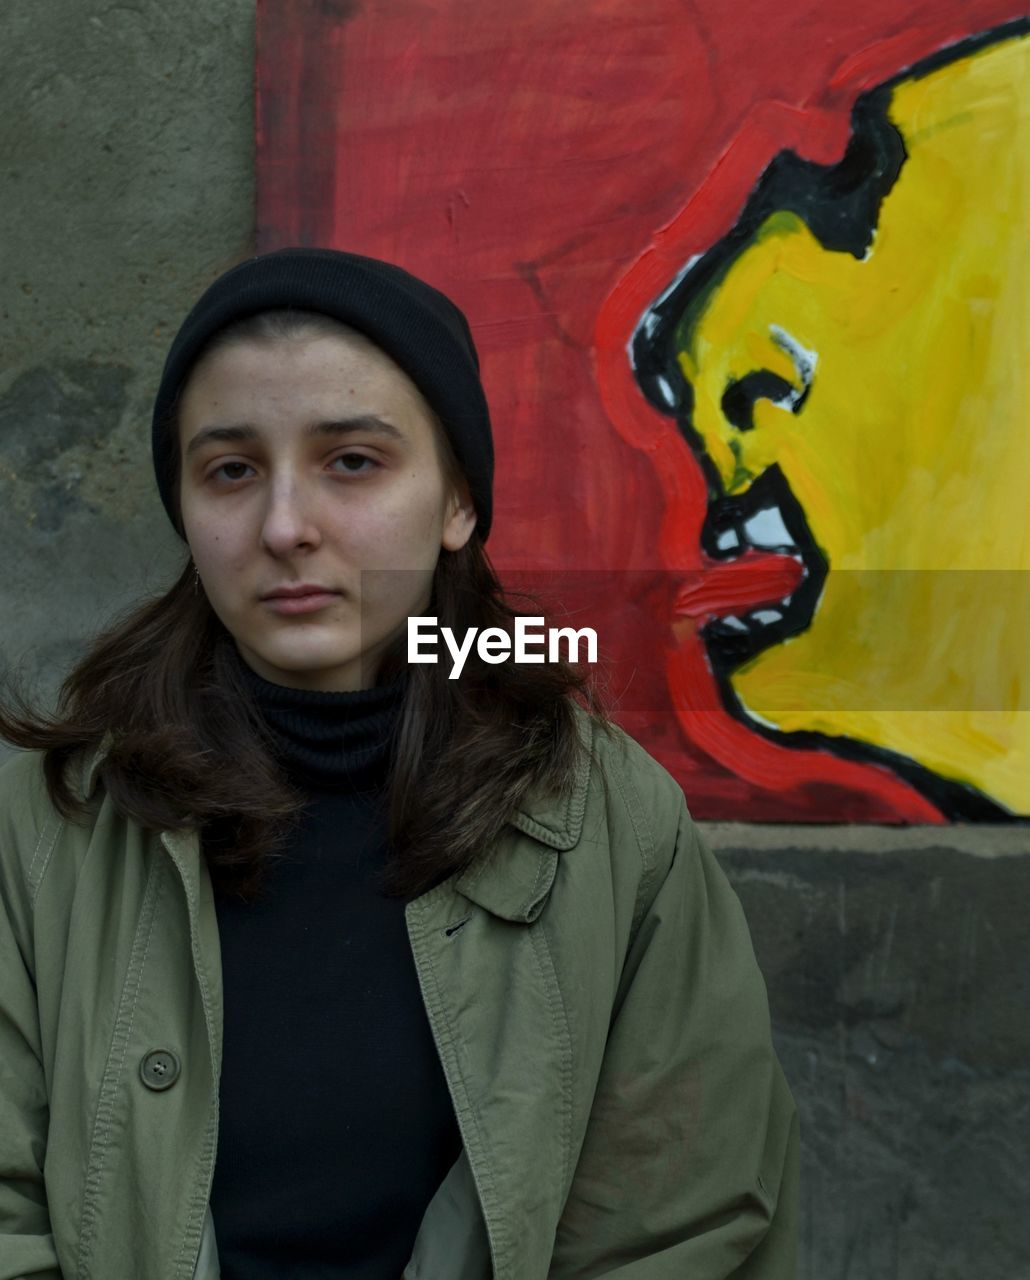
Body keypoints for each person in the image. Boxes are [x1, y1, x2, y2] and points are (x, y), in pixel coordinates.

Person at [0, 248, 798, 1279]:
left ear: (458, 502)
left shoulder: (610, 825)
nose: (286, 526)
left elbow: (689, 1226)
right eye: (231, 470)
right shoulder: (45, 822)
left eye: (352, 462)